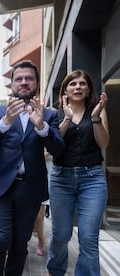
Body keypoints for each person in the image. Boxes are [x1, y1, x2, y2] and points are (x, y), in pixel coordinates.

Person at [0, 60, 64, 276]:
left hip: (30, 189)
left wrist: (41, 127)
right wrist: (6, 121)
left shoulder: (49, 115)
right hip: (0, 186)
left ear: (36, 83)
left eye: (29, 79)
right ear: (12, 84)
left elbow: (58, 149)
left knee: (20, 245)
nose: (24, 82)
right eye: (19, 79)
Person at [46, 70, 110, 276]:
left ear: (88, 88)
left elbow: (104, 143)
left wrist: (95, 119)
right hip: (61, 179)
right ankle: (55, 271)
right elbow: (52, 148)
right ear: (65, 90)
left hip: (92, 179)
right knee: (61, 235)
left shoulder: (98, 110)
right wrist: (67, 118)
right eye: (73, 84)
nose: (78, 87)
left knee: (89, 237)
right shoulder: (55, 115)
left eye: (82, 84)